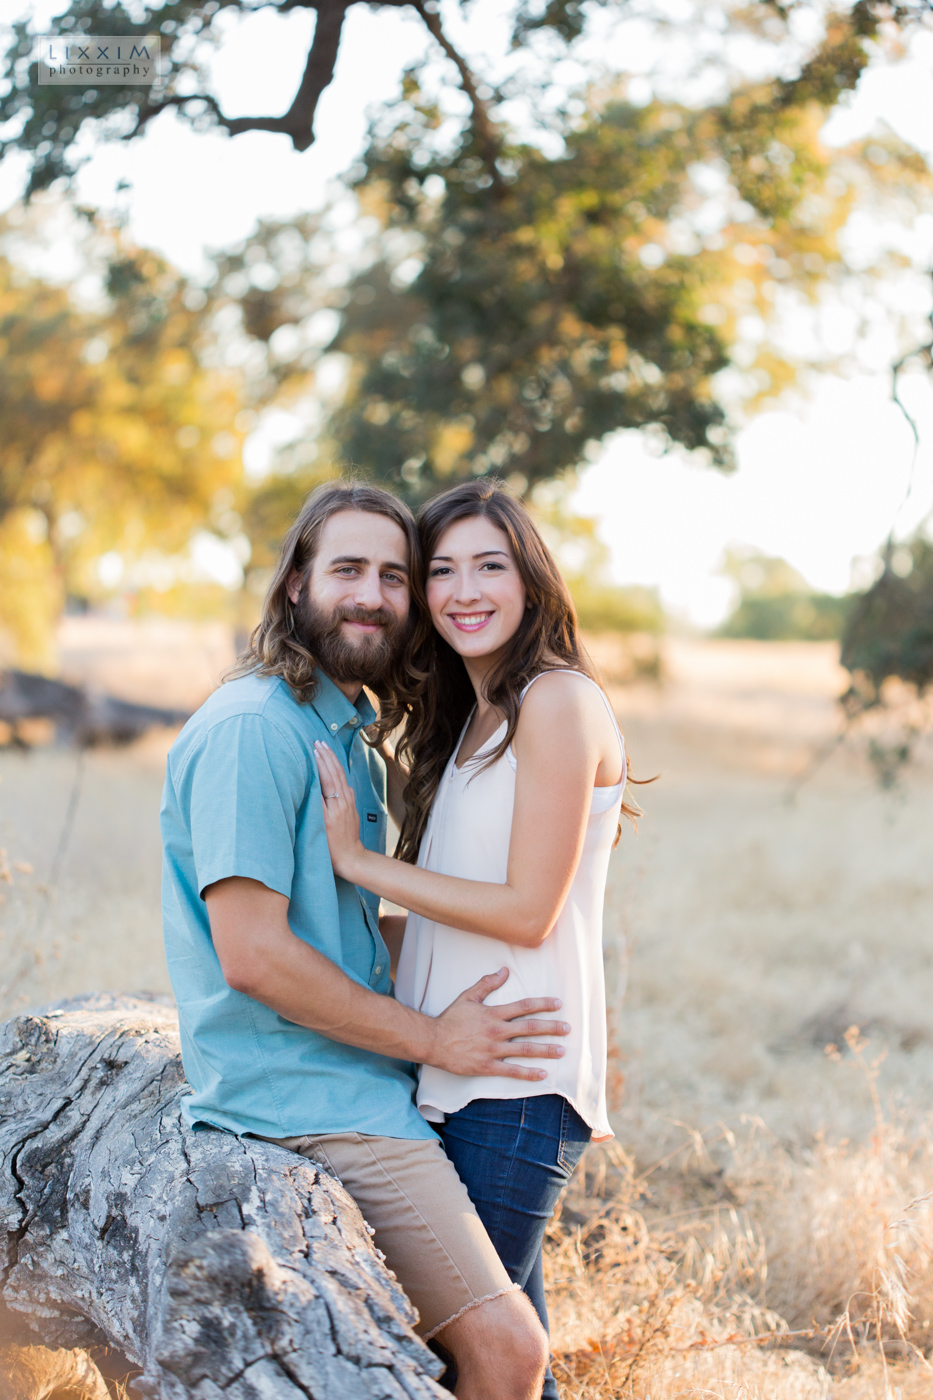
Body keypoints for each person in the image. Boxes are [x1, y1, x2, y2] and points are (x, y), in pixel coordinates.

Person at [160, 480, 574, 1400]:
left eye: (394, 575)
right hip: (311, 1097)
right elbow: (254, 954)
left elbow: (333, 926)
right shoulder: (252, 732)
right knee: (509, 1349)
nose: (373, 595)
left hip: (362, 1080)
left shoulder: (337, 729)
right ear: (296, 584)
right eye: (347, 568)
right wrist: (434, 1038)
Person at [315, 478, 638, 1400]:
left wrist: (358, 862)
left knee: (465, 1354)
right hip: (457, 1067)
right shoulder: (474, 720)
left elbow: (526, 910)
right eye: (441, 570)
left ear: (530, 582)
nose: (463, 590)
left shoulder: (558, 702)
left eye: (488, 566)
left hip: (518, 1074)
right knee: (509, 1351)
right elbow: (453, 919)